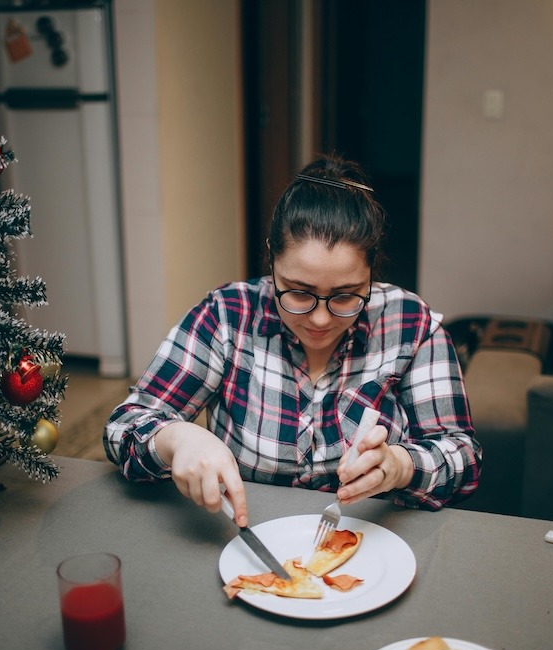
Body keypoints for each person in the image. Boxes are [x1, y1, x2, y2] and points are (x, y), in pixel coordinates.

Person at [104, 154, 481, 527]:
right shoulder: (227, 315)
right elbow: (123, 428)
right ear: (272, 261)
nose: (320, 318)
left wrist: (402, 466)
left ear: (372, 273)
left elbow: (463, 457)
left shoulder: (409, 324)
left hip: (373, 545)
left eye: (346, 295)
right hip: (241, 542)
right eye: (299, 292)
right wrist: (176, 438)